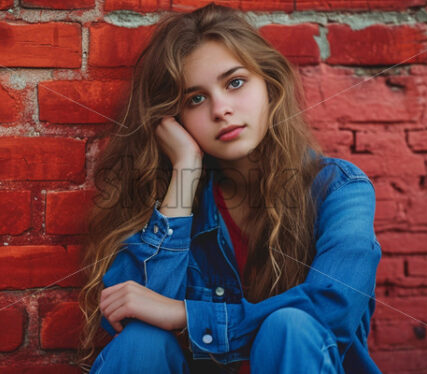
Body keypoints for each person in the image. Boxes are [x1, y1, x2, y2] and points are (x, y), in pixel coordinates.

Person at [76, 3, 382, 373]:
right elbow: (128, 312)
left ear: (269, 86)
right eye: (195, 99)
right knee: (141, 343)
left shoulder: (340, 190)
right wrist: (185, 169)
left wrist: (184, 315)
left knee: (289, 326)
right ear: (174, 118)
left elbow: (332, 307)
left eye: (235, 82)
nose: (221, 109)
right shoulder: (174, 192)